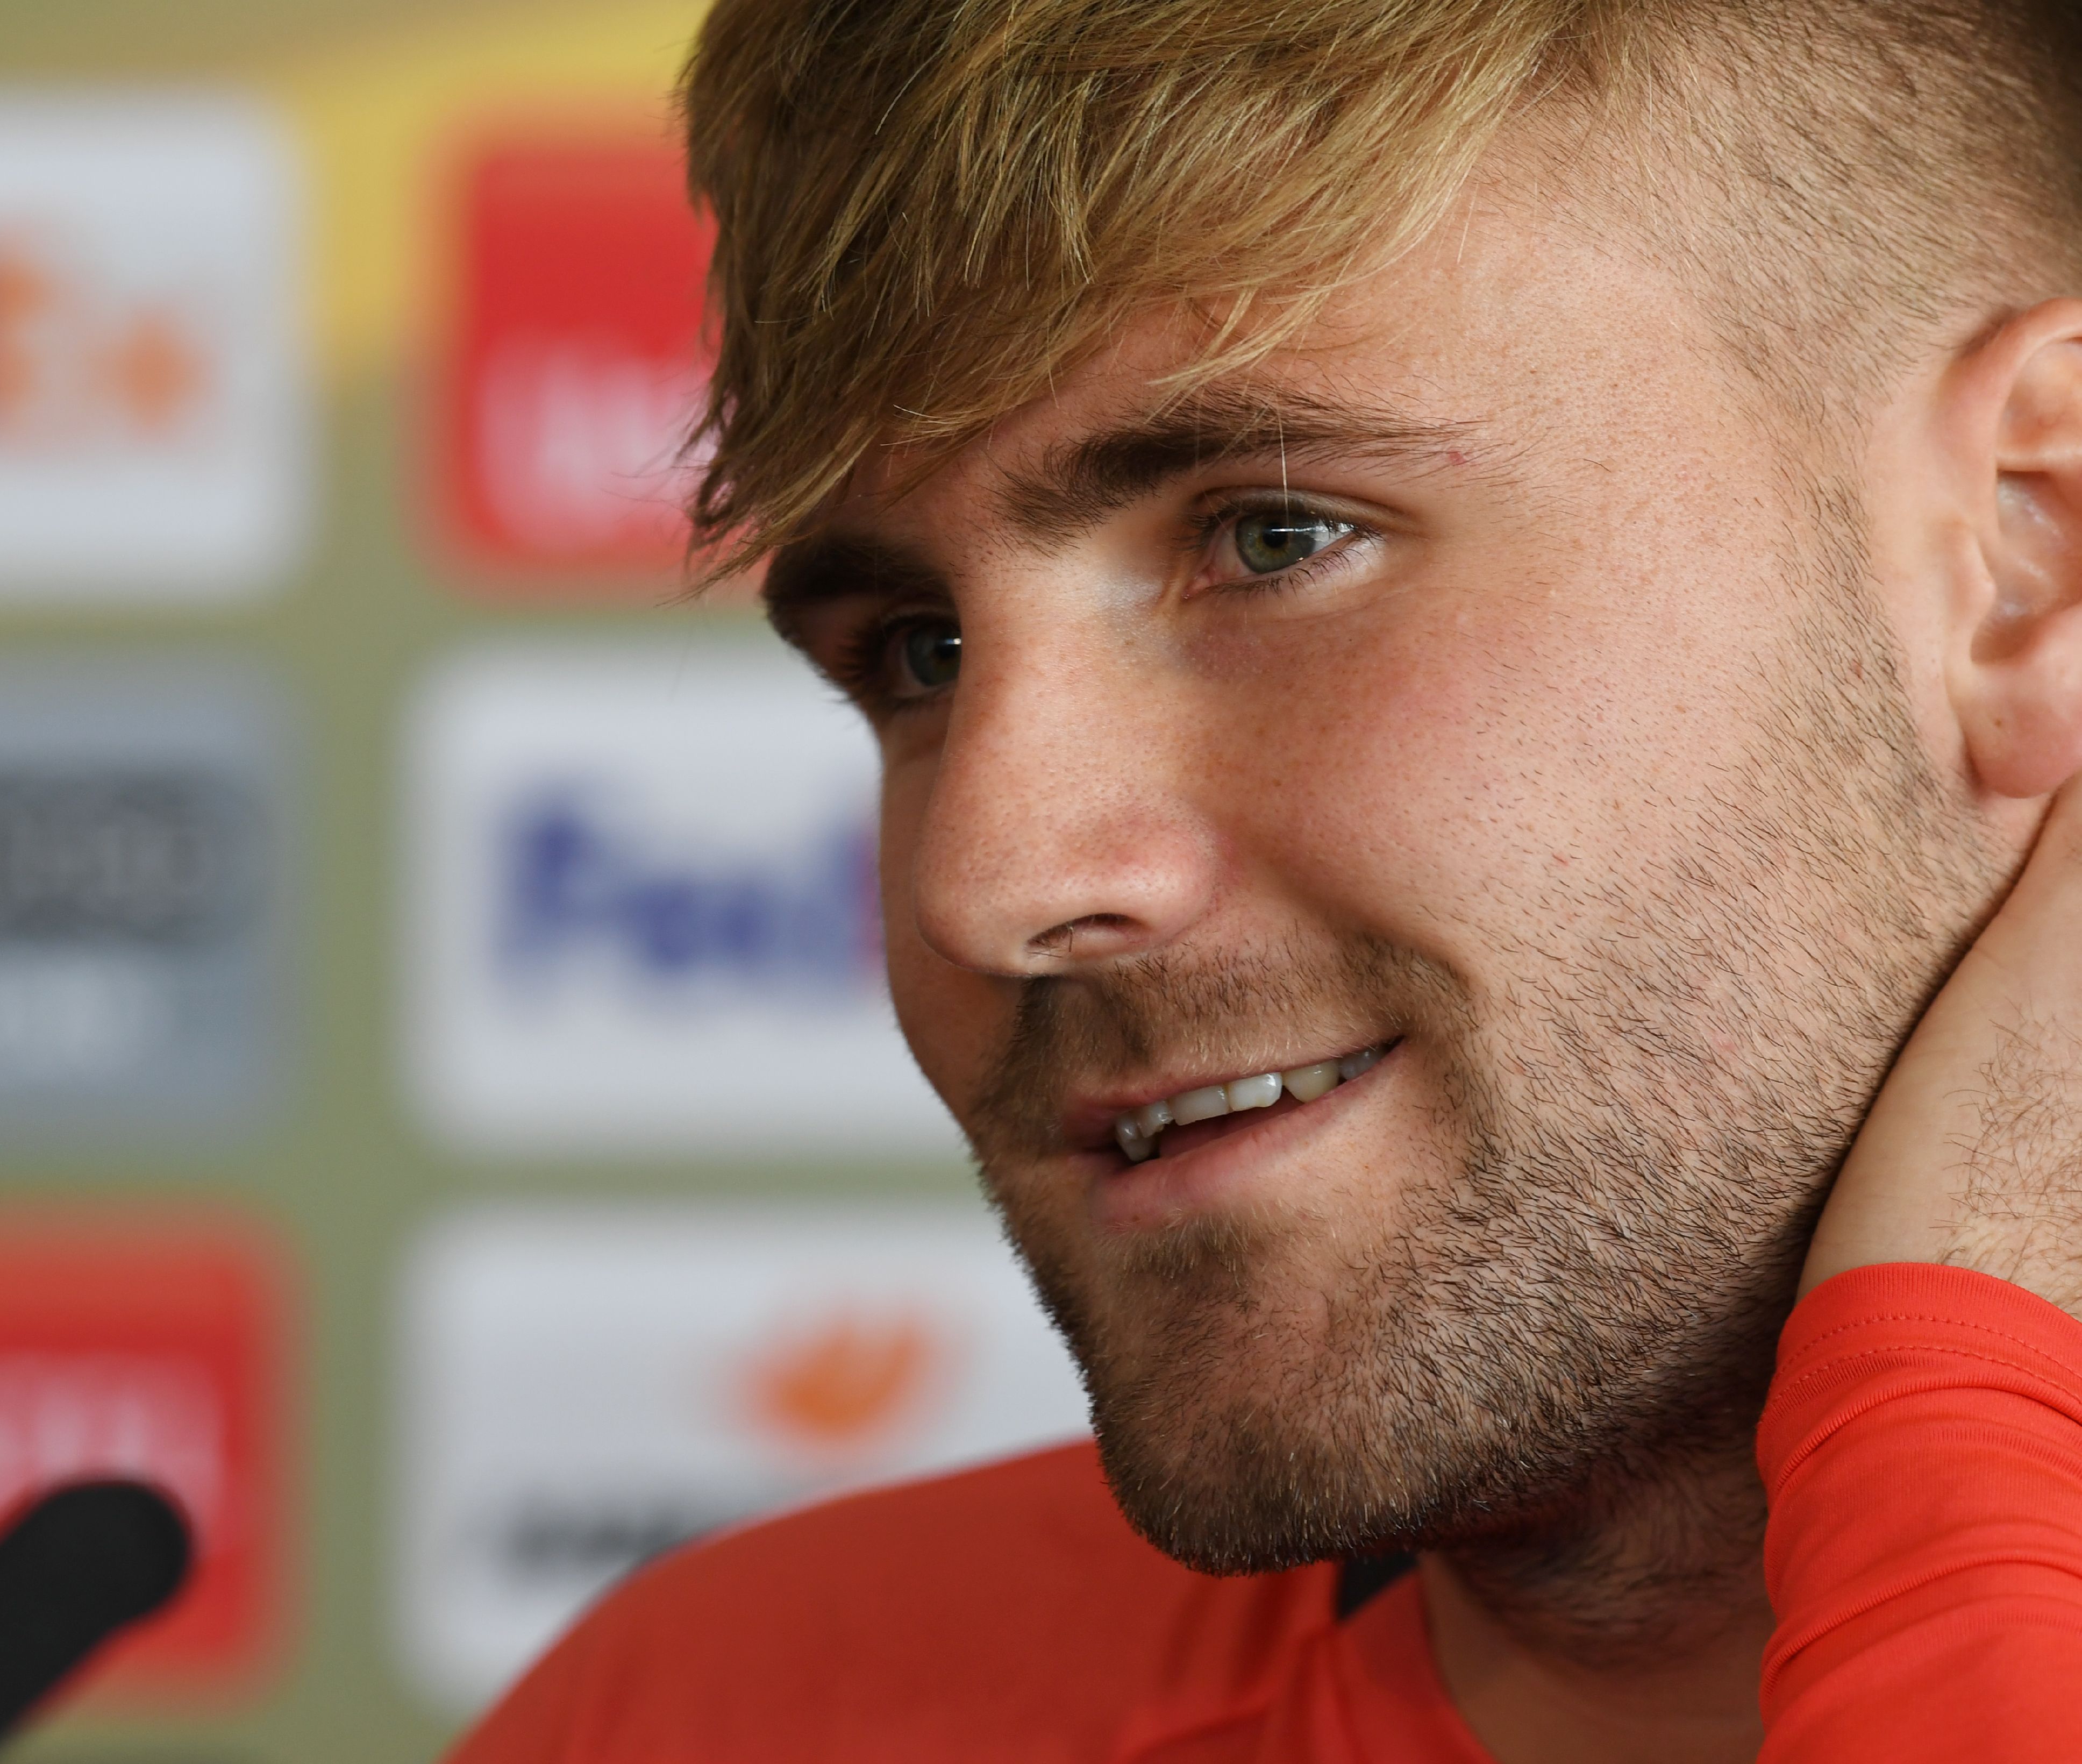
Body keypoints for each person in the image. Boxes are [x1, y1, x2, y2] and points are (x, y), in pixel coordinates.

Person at [452, 2, 2082, 1759]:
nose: (984, 885)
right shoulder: (716, 1715)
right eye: (921, 653)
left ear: (2030, 548)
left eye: (1276, 539)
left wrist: (1951, 1441)